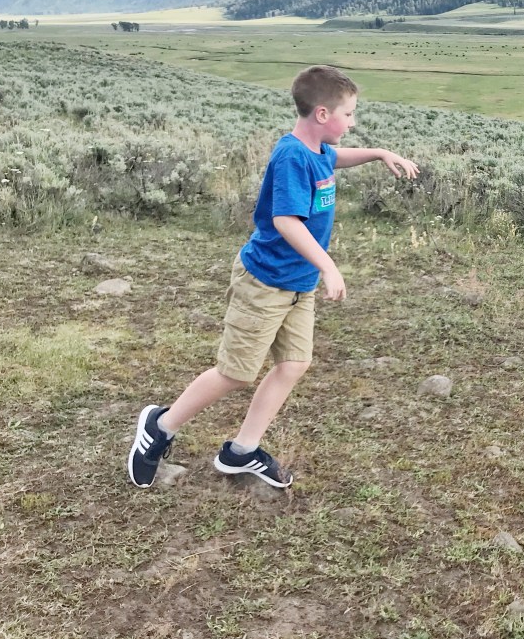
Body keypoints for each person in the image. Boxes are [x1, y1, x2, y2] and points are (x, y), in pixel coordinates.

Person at [127, 65, 419, 489]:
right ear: (322, 114)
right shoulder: (291, 156)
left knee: (294, 363)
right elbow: (286, 221)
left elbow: (336, 159)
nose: (353, 123)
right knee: (235, 372)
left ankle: (241, 451)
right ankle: (160, 426)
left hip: (298, 285)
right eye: (349, 114)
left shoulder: (318, 151)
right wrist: (328, 265)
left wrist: (378, 153)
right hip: (265, 282)